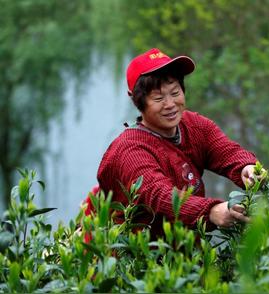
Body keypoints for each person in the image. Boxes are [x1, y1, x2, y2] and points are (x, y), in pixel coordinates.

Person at [90, 48, 259, 238]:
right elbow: (160, 195)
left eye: (175, 92)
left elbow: (225, 151)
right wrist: (211, 211)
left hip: (185, 249)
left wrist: (247, 167)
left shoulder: (194, 125)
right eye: (158, 98)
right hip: (138, 256)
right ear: (136, 101)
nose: (170, 104)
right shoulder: (130, 151)